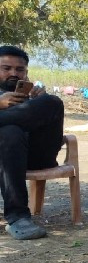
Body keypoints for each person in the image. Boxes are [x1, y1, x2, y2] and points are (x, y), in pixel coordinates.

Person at [0, 45, 65, 240]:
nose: (14, 73)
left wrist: (37, 101)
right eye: (6, 68)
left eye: (19, 69)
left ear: (26, 72)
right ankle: (18, 218)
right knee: (10, 131)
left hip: (38, 155)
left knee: (53, 102)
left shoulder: (33, 96)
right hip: (6, 159)